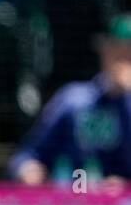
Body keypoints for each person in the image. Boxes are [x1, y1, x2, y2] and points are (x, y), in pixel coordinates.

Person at [10, 13, 131, 187]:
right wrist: (28, 169)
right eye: (117, 52)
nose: (123, 61)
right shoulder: (74, 100)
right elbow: (30, 155)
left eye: (129, 54)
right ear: (105, 51)